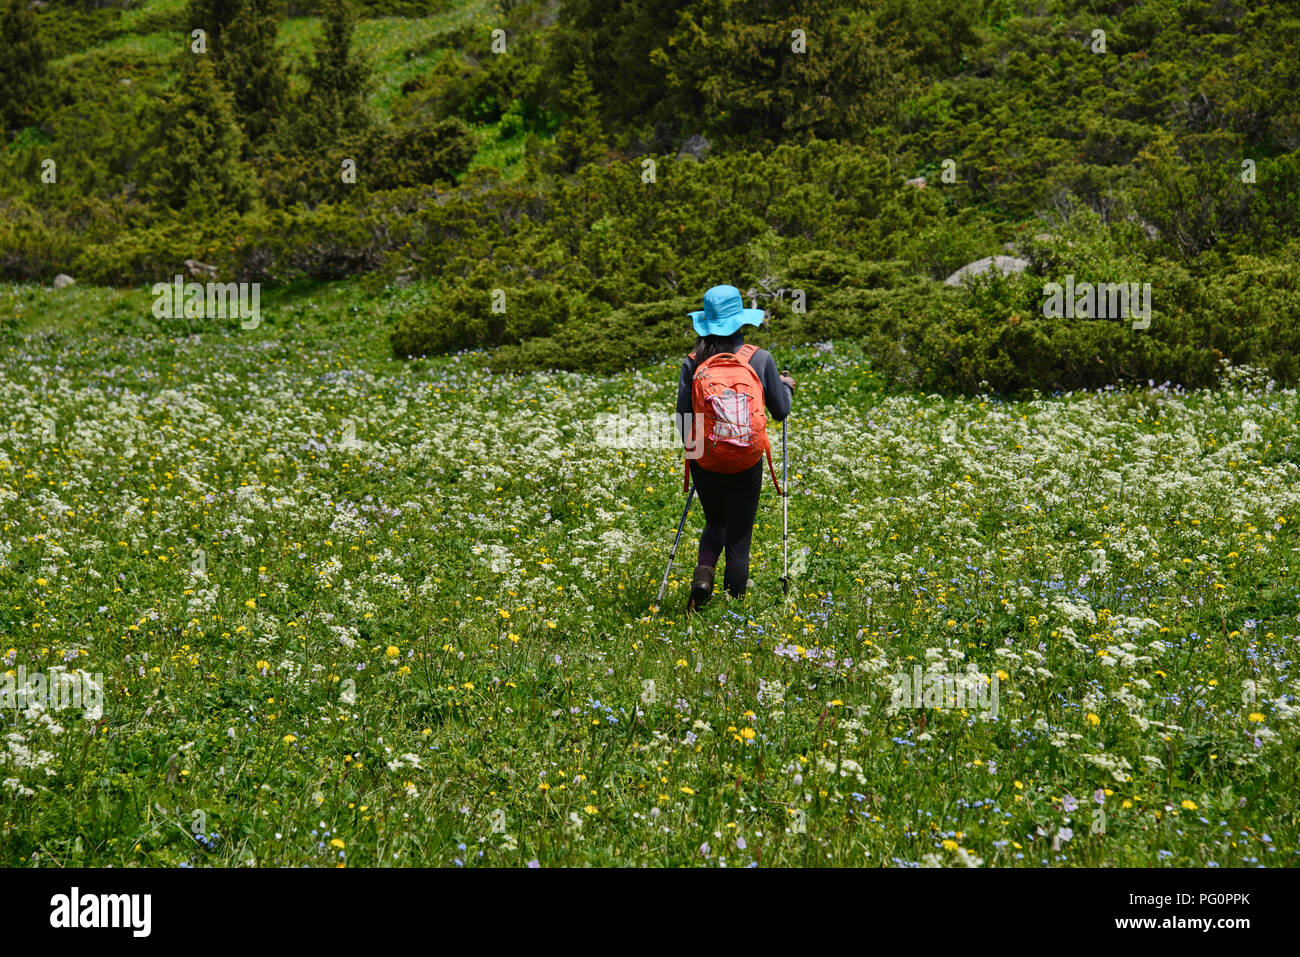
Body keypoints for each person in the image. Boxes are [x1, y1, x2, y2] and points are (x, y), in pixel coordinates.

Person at [676, 284, 795, 609]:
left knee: (715, 521)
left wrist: (699, 452)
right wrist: (784, 387)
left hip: (707, 461)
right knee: (740, 538)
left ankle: (703, 578)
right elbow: (780, 411)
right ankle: (732, 611)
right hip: (746, 460)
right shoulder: (760, 359)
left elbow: (682, 420)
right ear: (741, 320)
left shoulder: (693, 362)